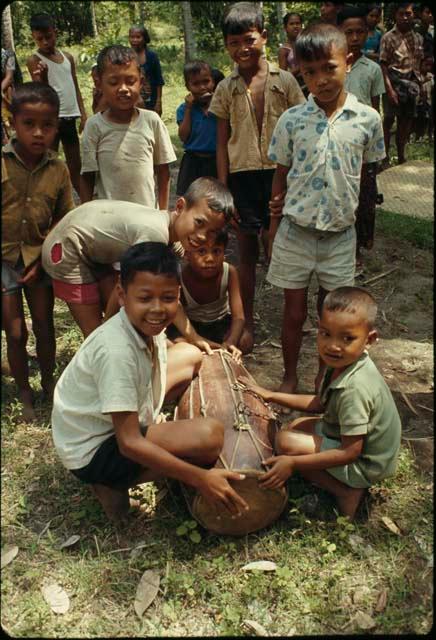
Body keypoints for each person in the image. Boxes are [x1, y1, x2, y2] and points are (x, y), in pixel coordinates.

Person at [51, 241, 249, 522]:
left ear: (178, 295)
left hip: (108, 422)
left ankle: (144, 449)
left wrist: (194, 340)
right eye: (145, 299)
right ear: (122, 294)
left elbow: (168, 349)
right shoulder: (116, 352)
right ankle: (111, 481)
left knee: (190, 355)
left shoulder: (139, 323)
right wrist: (201, 478)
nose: (157, 309)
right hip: (93, 447)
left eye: (167, 298)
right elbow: (129, 443)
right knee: (209, 437)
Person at [267, 22, 386, 394]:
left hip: (340, 236)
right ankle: (289, 375)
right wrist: (273, 227)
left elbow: (367, 179)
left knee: (331, 315)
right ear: (300, 72)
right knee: (294, 312)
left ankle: (323, 378)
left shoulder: (367, 120)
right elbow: (280, 176)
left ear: (347, 62)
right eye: (310, 72)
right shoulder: (292, 120)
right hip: (296, 231)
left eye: (329, 68)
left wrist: (365, 230)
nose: (320, 79)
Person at [239, 287, 401, 520]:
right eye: (326, 334)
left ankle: (346, 491)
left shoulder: (355, 389)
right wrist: (269, 394)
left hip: (366, 463)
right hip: (359, 446)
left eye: (347, 338)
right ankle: (332, 476)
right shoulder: (341, 364)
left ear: (370, 339)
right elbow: (319, 403)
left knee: (285, 441)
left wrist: (293, 463)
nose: (333, 346)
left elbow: (349, 452)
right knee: (298, 426)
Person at [208, 1, 305, 354]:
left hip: (283, 174)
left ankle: (293, 319)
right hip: (243, 178)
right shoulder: (226, 88)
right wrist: (223, 188)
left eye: (249, 40)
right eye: (234, 43)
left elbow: (301, 129)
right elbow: (221, 142)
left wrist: (297, 177)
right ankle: (244, 321)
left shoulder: (286, 81)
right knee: (245, 250)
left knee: (284, 247)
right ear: (226, 46)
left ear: (264, 37)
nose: (242, 49)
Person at [41, 176, 234, 338]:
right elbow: (127, 287)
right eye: (199, 223)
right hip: (68, 248)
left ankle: (110, 335)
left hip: (93, 247)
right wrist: (193, 337)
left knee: (122, 318)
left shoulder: (171, 231)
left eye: (212, 232)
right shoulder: (154, 234)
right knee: (95, 334)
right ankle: (100, 354)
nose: (202, 236)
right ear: (180, 206)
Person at [2, 82, 74, 421]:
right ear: (13, 122)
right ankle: (24, 392)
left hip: (40, 259)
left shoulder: (58, 169)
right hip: (3, 261)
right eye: (28, 124)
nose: (38, 133)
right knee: (15, 331)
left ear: (56, 125)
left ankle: (49, 382)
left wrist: (45, 257)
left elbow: (64, 218)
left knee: (44, 326)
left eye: (47, 125)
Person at [80, 45, 175, 209]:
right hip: (109, 218)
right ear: (99, 83)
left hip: (146, 216)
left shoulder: (152, 121)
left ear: (141, 82)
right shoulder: (94, 126)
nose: (123, 89)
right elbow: (88, 176)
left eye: (130, 81)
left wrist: (163, 213)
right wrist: (87, 214)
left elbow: (163, 170)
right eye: (113, 82)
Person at [338, 5, 386, 268]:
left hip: (364, 142)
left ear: (367, 33)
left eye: (359, 32)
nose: (354, 38)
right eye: (348, 32)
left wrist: (377, 146)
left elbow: (375, 108)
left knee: (364, 197)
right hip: (338, 140)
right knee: (341, 193)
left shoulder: (372, 69)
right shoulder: (332, 66)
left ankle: (357, 246)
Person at [27, 13, 87, 196]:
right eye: (40, 39)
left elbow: (74, 85)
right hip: (51, 120)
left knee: (76, 166)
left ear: (56, 32)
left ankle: (85, 204)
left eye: (48, 37)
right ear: (34, 38)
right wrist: (43, 77)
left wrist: (83, 113)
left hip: (69, 118)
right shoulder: (35, 60)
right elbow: (41, 93)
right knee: (48, 164)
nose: (45, 42)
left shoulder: (67, 57)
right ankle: (48, 203)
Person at [167, 228, 245, 358]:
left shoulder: (229, 272)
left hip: (220, 323)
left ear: (224, 252)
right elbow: (175, 313)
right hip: (191, 326)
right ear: (187, 254)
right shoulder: (179, 278)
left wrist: (231, 342)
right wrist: (193, 337)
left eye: (216, 251)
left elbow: (239, 317)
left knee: (243, 342)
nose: (210, 258)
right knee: (178, 343)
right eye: (201, 251)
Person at [379, 2, 424, 168]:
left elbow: (418, 64)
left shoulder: (418, 37)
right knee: (389, 119)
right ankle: (383, 157)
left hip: (411, 83)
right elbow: (383, 65)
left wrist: (420, 86)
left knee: (406, 121)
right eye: (401, 14)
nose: (405, 17)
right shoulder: (388, 38)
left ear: (413, 15)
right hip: (394, 80)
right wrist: (389, 90)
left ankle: (401, 156)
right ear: (395, 16)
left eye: (408, 14)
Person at [176, 60, 218, 197]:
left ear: (213, 82)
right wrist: (189, 108)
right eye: (195, 84)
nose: (202, 88)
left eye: (206, 82)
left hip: (216, 160)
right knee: (190, 199)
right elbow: (183, 136)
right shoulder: (183, 109)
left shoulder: (221, 106)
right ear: (188, 87)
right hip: (193, 161)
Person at [128, 24, 164, 116]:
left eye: (138, 37)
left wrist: (158, 102)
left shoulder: (152, 56)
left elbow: (158, 80)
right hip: (131, 100)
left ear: (144, 38)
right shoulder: (126, 56)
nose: (134, 40)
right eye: (132, 37)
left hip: (150, 100)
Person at [278, 12, 308, 98]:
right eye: (291, 24)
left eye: (297, 23)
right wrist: (300, 67)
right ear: (285, 27)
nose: (295, 26)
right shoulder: (284, 50)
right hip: (297, 87)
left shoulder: (308, 43)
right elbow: (283, 76)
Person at [413, 54, 434, 141]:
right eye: (426, 65)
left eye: (430, 65)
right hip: (417, 103)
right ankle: (414, 135)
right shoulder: (416, 75)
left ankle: (426, 134)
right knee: (416, 118)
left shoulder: (431, 76)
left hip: (427, 103)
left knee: (428, 117)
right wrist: (423, 81)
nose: (428, 67)